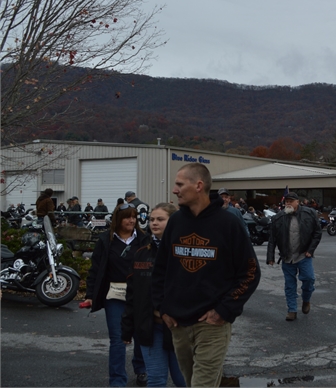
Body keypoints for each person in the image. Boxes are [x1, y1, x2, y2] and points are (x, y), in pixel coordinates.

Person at [152, 163, 260, 387]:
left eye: (180, 184)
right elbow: (160, 269)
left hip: (212, 325)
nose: (175, 190)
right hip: (177, 323)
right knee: (192, 382)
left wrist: (224, 309)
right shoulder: (176, 223)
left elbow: (250, 272)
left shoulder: (228, 223)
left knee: (202, 385)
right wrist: (161, 307)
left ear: (199, 185)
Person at [122, 203, 186, 388]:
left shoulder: (184, 251)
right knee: (156, 381)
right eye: (151, 219)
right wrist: (127, 328)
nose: (154, 223)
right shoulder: (142, 253)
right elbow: (132, 294)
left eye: (160, 219)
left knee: (183, 380)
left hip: (178, 328)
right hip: (150, 328)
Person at [85, 203, 149, 387]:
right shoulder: (106, 240)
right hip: (114, 296)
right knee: (118, 338)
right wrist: (90, 294)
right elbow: (95, 269)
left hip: (140, 295)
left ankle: (141, 369)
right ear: (118, 220)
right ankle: (117, 380)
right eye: (127, 217)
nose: (131, 220)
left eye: (134, 216)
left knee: (141, 335)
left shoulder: (144, 239)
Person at [267, 192, 322, 321]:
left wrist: (310, 250)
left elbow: (317, 233)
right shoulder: (278, 218)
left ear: (298, 202)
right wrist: (270, 256)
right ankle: (292, 310)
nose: (288, 203)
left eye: (291, 201)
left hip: (303, 255)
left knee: (309, 279)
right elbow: (272, 239)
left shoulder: (309, 214)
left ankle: (306, 299)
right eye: (286, 201)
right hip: (287, 257)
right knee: (290, 285)